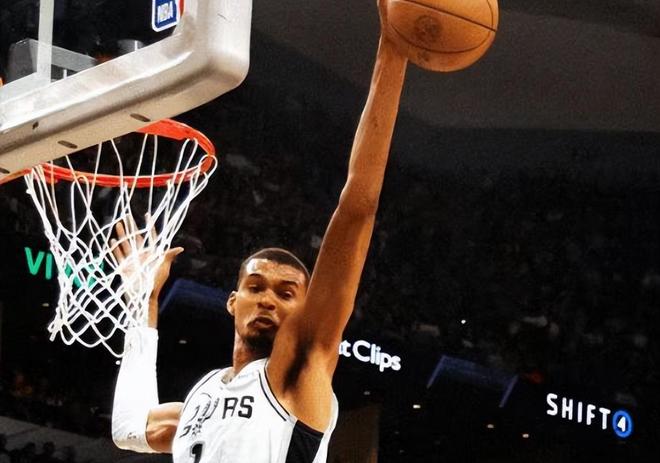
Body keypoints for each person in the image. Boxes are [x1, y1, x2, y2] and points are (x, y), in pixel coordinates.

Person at [110, 2, 408, 462]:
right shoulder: (204, 397)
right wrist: (143, 301)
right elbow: (129, 428)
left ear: (305, 312)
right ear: (233, 302)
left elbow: (356, 210)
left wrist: (393, 52)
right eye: (255, 287)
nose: (268, 299)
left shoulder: (298, 373)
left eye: (287, 294)